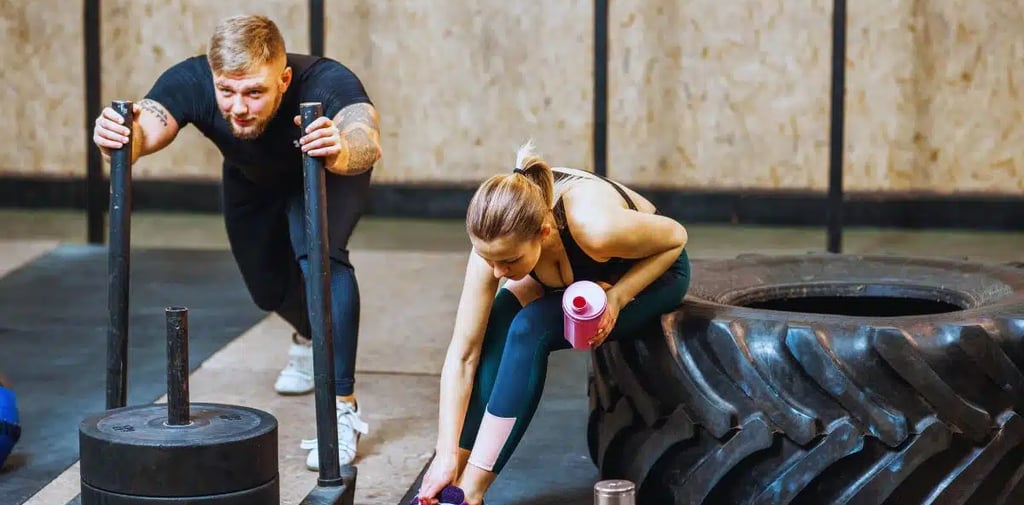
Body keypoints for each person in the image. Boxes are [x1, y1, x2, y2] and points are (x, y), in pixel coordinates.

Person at [91, 14, 379, 471]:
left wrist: (340, 147)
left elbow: (365, 137)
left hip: (326, 168)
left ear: (284, 79)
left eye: (255, 93)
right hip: (251, 177)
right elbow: (146, 127)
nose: (239, 107)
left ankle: (342, 407)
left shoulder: (325, 80)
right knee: (265, 288)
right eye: (227, 92)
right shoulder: (195, 80)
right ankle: (310, 334)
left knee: (319, 258)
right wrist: (117, 139)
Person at [415, 141, 691, 505]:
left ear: (543, 233)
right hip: (574, 274)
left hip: (650, 273)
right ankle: (450, 477)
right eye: (489, 260)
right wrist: (445, 452)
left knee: (531, 328)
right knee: (499, 320)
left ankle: (470, 493)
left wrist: (618, 296)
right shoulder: (496, 238)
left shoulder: (595, 228)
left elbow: (676, 238)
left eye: (508, 261)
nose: (497, 272)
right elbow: (463, 355)